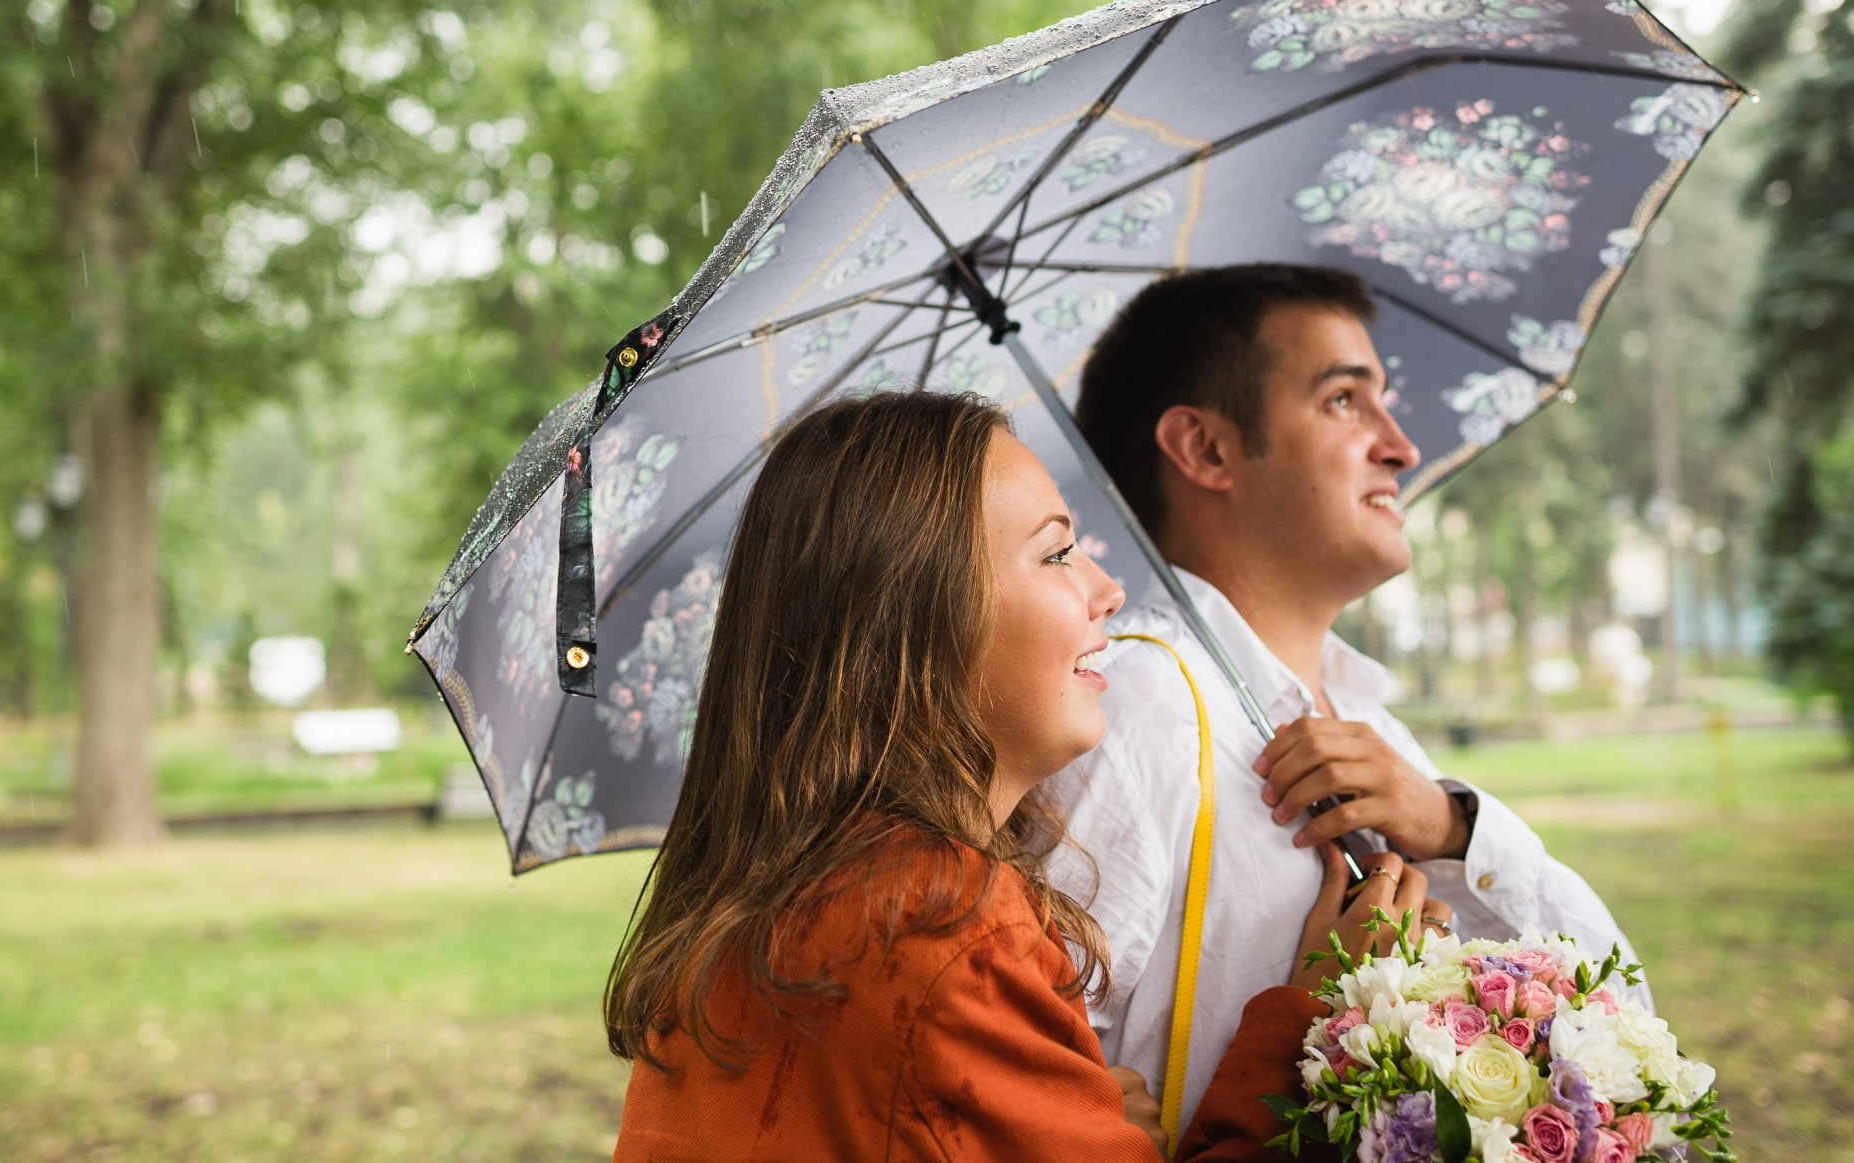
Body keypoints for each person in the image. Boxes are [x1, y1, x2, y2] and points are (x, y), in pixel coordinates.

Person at [606, 391, 1439, 1162]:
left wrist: (1067, 1112)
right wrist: (1312, 1018)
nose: (1108, 590)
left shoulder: (766, 906)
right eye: (1057, 553)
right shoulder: (942, 926)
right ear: (919, 615)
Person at [1047, 263, 1645, 1145]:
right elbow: (1040, 1086)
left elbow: (1620, 1006)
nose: (1400, 446)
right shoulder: (1131, 706)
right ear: (1205, 449)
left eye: (1383, 401)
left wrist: (1451, 826)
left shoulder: (1378, 732)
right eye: (1342, 400)